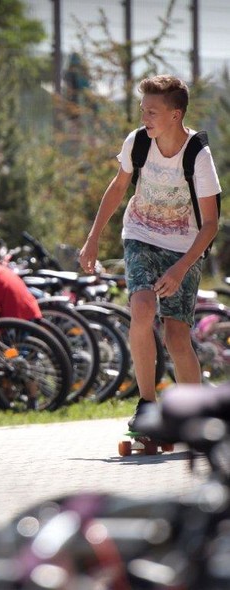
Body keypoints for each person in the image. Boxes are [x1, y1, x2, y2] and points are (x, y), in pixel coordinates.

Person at [78, 75, 221, 431]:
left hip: (183, 248)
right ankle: (146, 405)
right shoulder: (138, 142)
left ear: (175, 114)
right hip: (140, 234)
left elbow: (210, 224)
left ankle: (198, 415)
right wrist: (93, 237)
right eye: (143, 109)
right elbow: (118, 187)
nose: (145, 117)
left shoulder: (198, 156)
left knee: (176, 334)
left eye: (153, 111)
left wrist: (180, 269)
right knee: (141, 309)